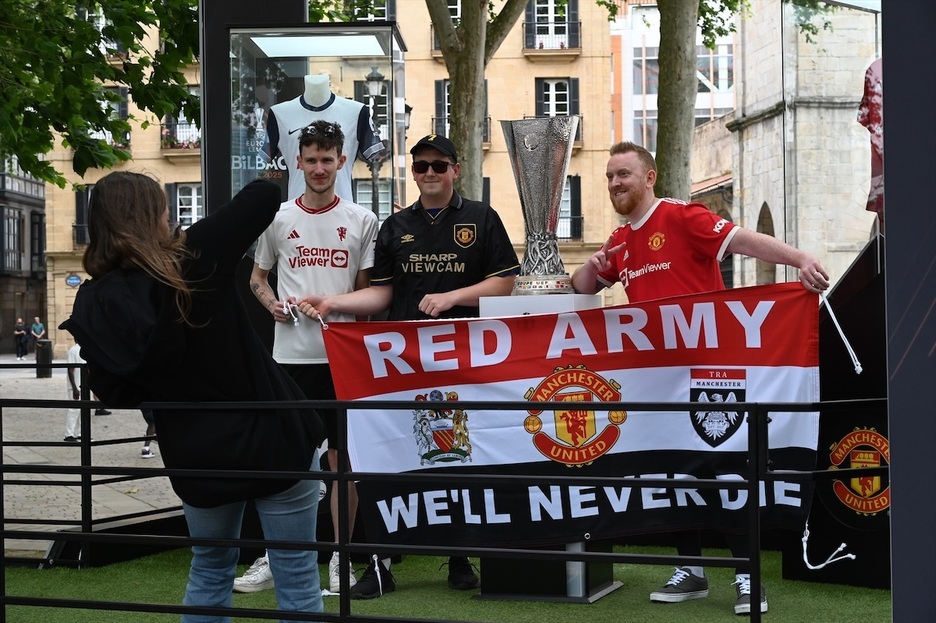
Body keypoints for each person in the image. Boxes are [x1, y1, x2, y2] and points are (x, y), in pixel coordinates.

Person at [571, 141, 831, 616]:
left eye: (623, 174)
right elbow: (583, 288)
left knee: (724, 473)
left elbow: (743, 240)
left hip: (712, 376)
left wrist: (799, 260)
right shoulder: (621, 240)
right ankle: (690, 570)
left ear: (649, 177)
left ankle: (748, 577)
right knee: (670, 472)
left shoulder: (680, 216)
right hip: (657, 380)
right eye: (609, 177)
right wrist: (591, 265)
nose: (614, 183)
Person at [59, 171, 327, 623]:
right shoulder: (194, 256)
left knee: (210, 570)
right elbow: (264, 193)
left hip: (196, 452)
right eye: (164, 208)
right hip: (275, 439)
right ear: (152, 215)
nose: (170, 216)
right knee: (297, 575)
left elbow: (113, 391)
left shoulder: (96, 298)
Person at [298, 133, 521, 599]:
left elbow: (505, 283)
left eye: (439, 165)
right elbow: (381, 294)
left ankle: (460, 554)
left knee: (462, 457)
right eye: (421, 166)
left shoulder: (481, 217)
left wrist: (452, 297)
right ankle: (380, 564)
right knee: (393, 458)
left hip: (465, 360)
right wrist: (333, 302)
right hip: (403, 363)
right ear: (414, 173)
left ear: (456, 169)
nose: (430, 173)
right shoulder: (395, 225)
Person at [238, 120, 378, 596]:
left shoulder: (362, 220)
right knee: (286, 461)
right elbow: (257, 279)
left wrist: (335, 307)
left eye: (327, 160)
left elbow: (366, 294)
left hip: (342, 358)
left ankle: (341, 558)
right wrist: (271, 305)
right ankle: (276, 555)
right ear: (297, 162)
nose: (319, 168)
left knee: (341, 464)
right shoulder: (278, 218)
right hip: (289, 358)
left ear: (342, 161)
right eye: (311, 160)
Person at [262, 73, 384, 202]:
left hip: (342, 206)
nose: (319, 170)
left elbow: (374, 155)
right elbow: (264, 157)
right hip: (297, 206)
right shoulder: (279, 114)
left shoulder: (357, 111)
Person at [63, 341, 85, 443]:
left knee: (82, 411)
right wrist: (74, 388)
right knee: (74, 410)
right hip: (75, 385)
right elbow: (70, 370)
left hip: (84, 385)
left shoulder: (85, 349)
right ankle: (69, 434)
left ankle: (79, 433)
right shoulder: (73, 350)